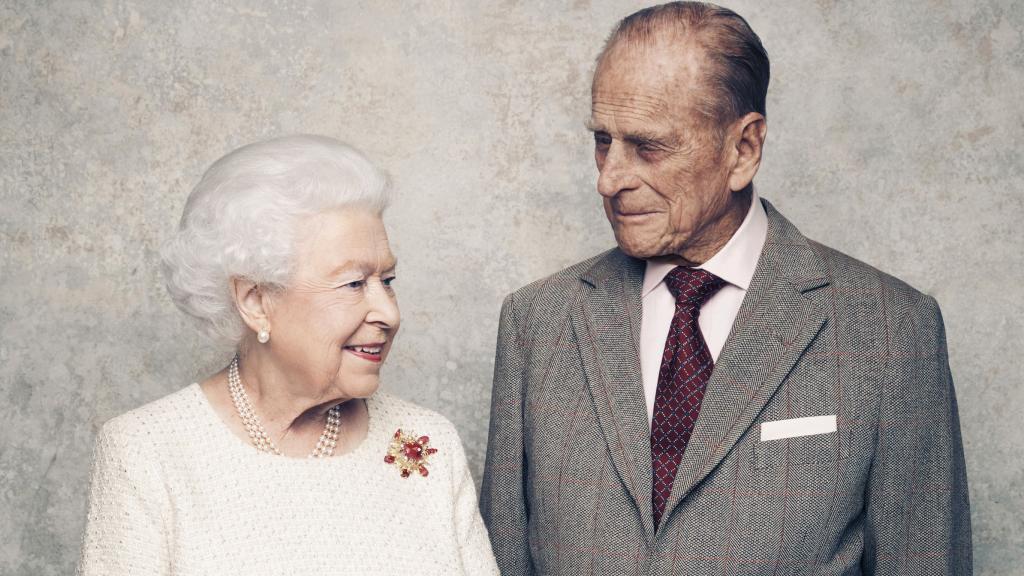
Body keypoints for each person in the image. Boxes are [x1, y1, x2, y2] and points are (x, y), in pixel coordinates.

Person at [480, 3, 971, 575]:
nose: (609, 178)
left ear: (744, 148)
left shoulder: (890, 329)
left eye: (648, 146)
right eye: (602, 140)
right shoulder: (535, 324)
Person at [77, 135, 499, 575]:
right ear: (256, 301)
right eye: (354, 284)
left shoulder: (429, 442)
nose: (389, 313)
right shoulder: (148, 452)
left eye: (387, 280)